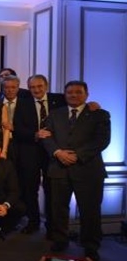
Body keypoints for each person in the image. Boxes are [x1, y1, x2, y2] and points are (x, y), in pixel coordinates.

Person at [41, 81, 110, 261]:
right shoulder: (55, 114)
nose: (73, 95)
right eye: (69, 92)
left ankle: (90, 246)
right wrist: (57, 152)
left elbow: (102, 140)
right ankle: (60, 240)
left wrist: (77, 155)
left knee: (90, 211)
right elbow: (46, 137)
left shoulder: (99, 114)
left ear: (87, 94)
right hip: (58, 168)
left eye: (78, 92)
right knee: (58, 209)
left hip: (88, 170)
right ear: (64, 95)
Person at [13, 74, 66, 236]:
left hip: (53, 152)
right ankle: (33, 222)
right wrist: (35, 134)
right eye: (32, 87)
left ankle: (52, 226)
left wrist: (93, 105)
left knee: (52, 190)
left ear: (46, 85)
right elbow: (18, 129)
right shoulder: (23, 104)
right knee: (30, 189)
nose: (36, 90)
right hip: (31, 151)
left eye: (39, 86)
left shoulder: (60, 99)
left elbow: (78, 104)